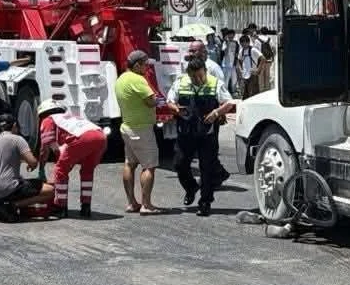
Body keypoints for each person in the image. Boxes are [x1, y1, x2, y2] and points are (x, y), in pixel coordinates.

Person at [167, 58, 235, 216]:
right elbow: (170, 101)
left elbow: (229, 103)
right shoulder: (181, 82)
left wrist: (216, 112)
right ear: (188, 74)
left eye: (200, 76)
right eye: (193, 77)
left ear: (205, 71)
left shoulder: (215, 83)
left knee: (207, 169)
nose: (197, 79)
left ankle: (205, 202)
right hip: (186, 132)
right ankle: (191, 187)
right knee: (180, 164)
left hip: (207, 134)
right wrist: (176, 109)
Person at [114, 50, 165, 216]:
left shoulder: (121, 78)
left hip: (127, 126)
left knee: (130, 164)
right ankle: (146, 204)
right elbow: (151, 101)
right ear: (137, 65)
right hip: (141, 128)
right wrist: (160, 101)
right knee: (149, 166)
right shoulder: (138, 79)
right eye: (145, 65)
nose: (147, 68)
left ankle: (131, 203)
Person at [36, 104, 107, 217]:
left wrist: (41, 168)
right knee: (87, 171)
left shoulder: (48, 119)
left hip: (84, 137)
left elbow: (46, 148)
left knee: (60, 170)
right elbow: (61, 148)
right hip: (101, 136)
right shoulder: (70, 117)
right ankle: (86, 207)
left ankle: (61, 207)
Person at [0, 113, 52, 220]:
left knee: (20, 182)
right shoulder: (17, 139)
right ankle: (11, 206)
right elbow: (33, 162)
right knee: (50, 190)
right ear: (15, 125)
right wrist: (31, 163)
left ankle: (1, 205)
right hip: (7, 188)